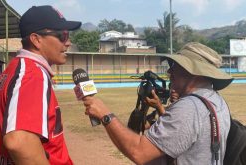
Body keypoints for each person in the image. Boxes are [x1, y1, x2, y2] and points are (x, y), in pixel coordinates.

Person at [79, 42, 234, 165]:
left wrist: (105, 114)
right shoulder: (217, 100)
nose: (169, 72)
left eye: (175, 66)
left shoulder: (189, 108)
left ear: (193, 71)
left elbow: (139, 153)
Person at [0, 5, 81, 164]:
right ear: (36, 40)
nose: (68, 42)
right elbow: (19, 141)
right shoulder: (32, 75)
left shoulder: (13, 69)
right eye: (62, 35)